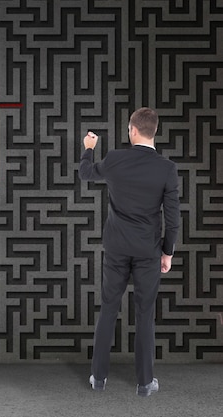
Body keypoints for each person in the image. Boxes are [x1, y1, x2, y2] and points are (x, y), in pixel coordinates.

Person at [79, 107, 180, 397]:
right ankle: (145, 383)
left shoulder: (114, 159)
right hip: (149, 251)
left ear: (132, 130)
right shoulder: (167, 169)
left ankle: (98, 378)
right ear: (154, 132)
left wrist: (88, 148)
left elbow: (85, 173)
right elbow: (173, 219)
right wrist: (167, 253)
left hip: (116, 249)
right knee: (145, 314)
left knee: (108, 309)